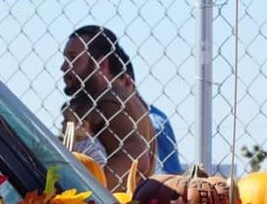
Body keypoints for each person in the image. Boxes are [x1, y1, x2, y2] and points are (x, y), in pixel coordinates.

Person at [61, 26, 180, 183]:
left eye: (73, 58)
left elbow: (135, 156)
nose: (63, 67)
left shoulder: (109, 99)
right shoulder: (122, 98)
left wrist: (92, 194)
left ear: (101, 64)